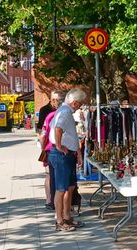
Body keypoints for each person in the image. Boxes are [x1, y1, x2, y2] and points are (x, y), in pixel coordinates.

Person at [48, 88, 87, 231]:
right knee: (61, 189)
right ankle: (59, 220)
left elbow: (70, 135)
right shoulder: (64, 112)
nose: (81, 106)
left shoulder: (65, 112)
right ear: (75, 102)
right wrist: (59, 146)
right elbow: (58, 129)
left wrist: (77, 152)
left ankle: (66, 216)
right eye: (80, 103)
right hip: (61, 155)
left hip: (67, 154)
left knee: (69, 187)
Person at [39, 91, 66, 210]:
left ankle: (52, 202)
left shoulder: (55, 114)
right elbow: (42, 133)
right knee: (51, 176)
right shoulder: (49, 112)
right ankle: (51, 201)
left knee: (51, 175)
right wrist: (43, 148)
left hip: (49, 148)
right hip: (52, 148)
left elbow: (43, 133)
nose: (54, 102)